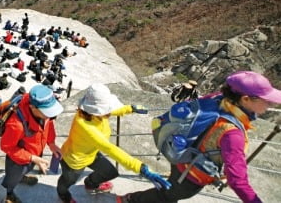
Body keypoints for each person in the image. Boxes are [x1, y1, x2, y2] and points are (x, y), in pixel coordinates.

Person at [118, 71, 281, 203]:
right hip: (191, 174)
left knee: (170, 189)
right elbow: (238, 180)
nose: (270, 105)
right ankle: (131, 200)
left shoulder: (217, 99)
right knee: (169, 194)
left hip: (181, 153)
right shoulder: (232, 134)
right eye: (266, 101)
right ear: (245, 99)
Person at [57, 84, 168, 203]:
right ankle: (63, 195)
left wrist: (130, 108)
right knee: (68, 181)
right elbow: (110, 149)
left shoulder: (91, 114)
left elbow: (110, 111)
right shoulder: (85, 126)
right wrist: (141, 168)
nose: (108, 112)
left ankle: (90, 184)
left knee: (110, 172)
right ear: (95, 111)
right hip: (74, 160)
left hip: (91, 154)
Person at [0, 85, 63, 203]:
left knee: (24, 170)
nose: (49, 115)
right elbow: (6, 146)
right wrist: (31, 157)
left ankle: (21, 177)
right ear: (32, 107)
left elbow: (48, 126)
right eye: (47, 112)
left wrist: (51, 143)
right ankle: (7, 194)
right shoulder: (16, 125)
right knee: (10, 179)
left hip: (33, 153)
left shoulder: (44, 114)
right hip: (17, 161)